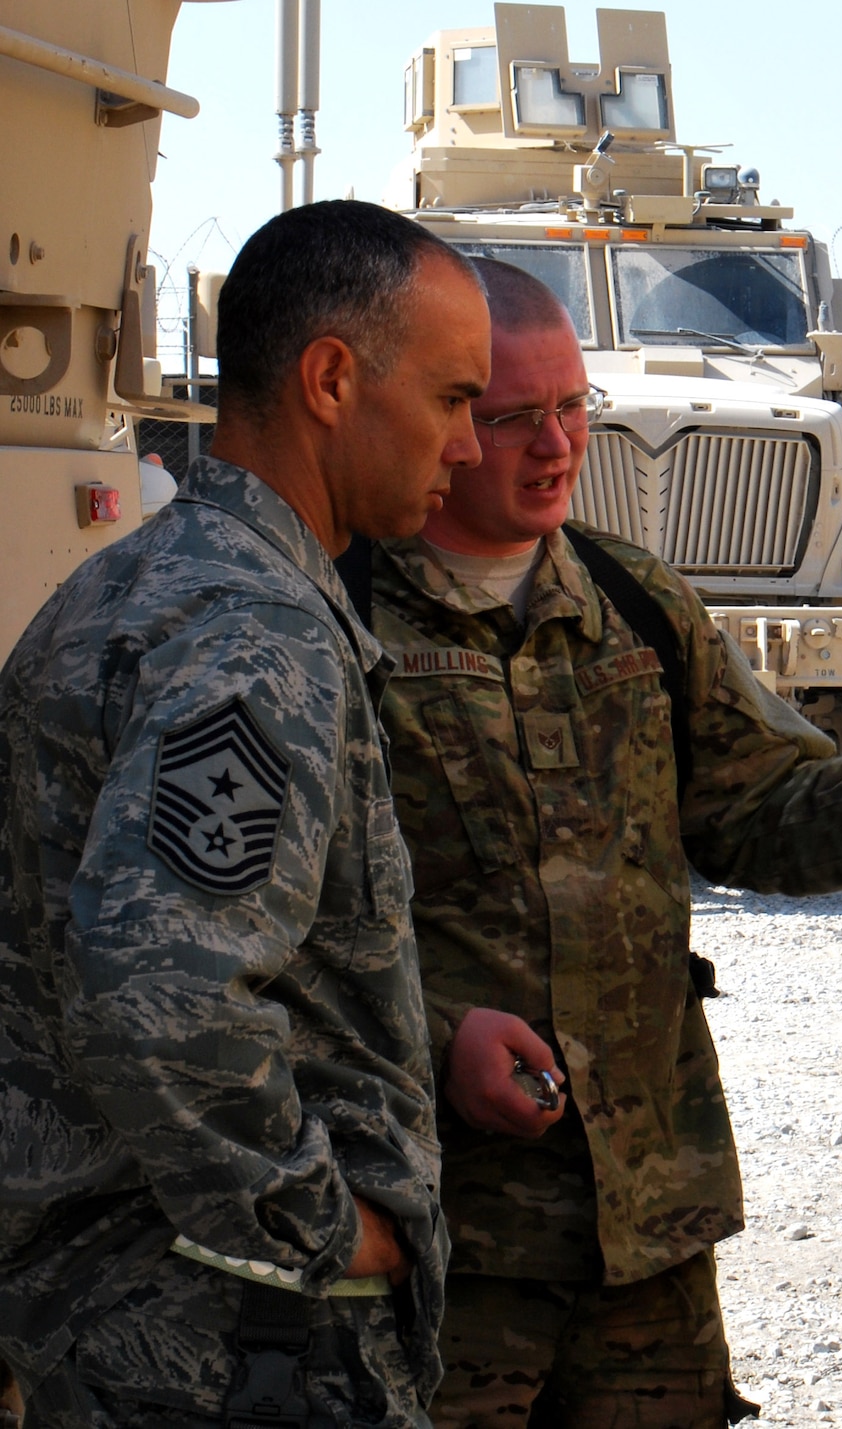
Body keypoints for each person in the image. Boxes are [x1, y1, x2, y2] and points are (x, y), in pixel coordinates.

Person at [354, 258, 842, 1428]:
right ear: (442, 417)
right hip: (432, 1237)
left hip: (641, 1225)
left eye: (571, 406)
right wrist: (435, 1042)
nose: (557, 445)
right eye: (514, 416)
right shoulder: (334, 618)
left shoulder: (635, 604)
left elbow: (752, 810)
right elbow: (270, 937)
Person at [0, 201, 491, 1427]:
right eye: (452, 398)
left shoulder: (139, 582)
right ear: (331, 378)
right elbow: (161, 984)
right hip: (224, 1337)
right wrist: (316, 1218)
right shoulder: (252, 632)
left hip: (122, 1312)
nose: (471, 445)